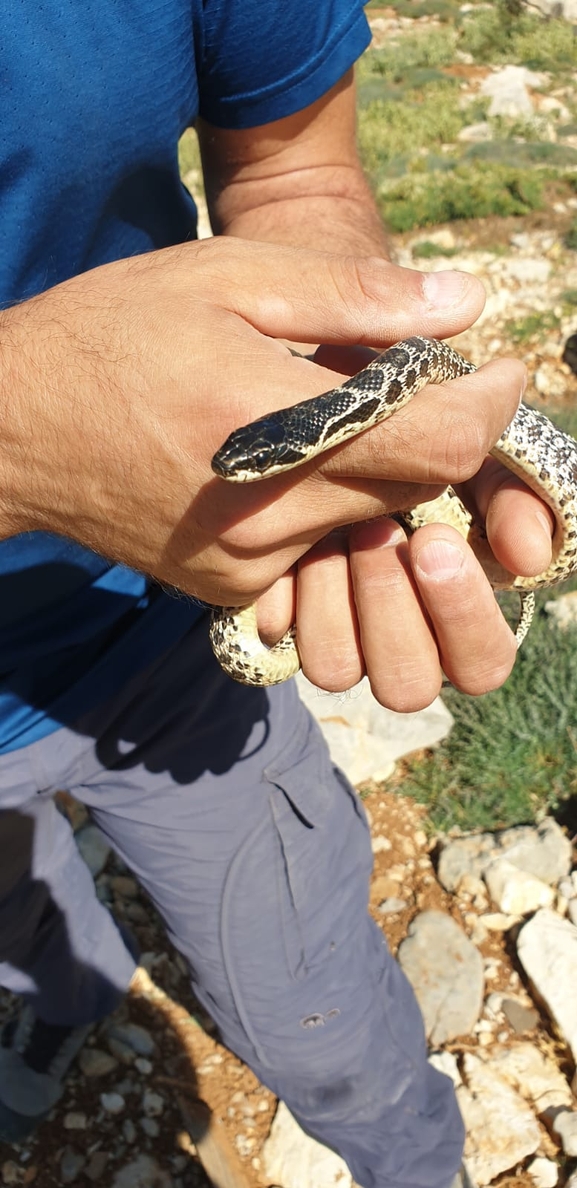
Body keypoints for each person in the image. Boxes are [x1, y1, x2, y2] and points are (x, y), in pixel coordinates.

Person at [0, 2, 554, 1185]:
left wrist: (330, 336)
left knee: (313, 1003)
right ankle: (62, 1004)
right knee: (23, 923)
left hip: (158, 634)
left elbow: (295, 163)